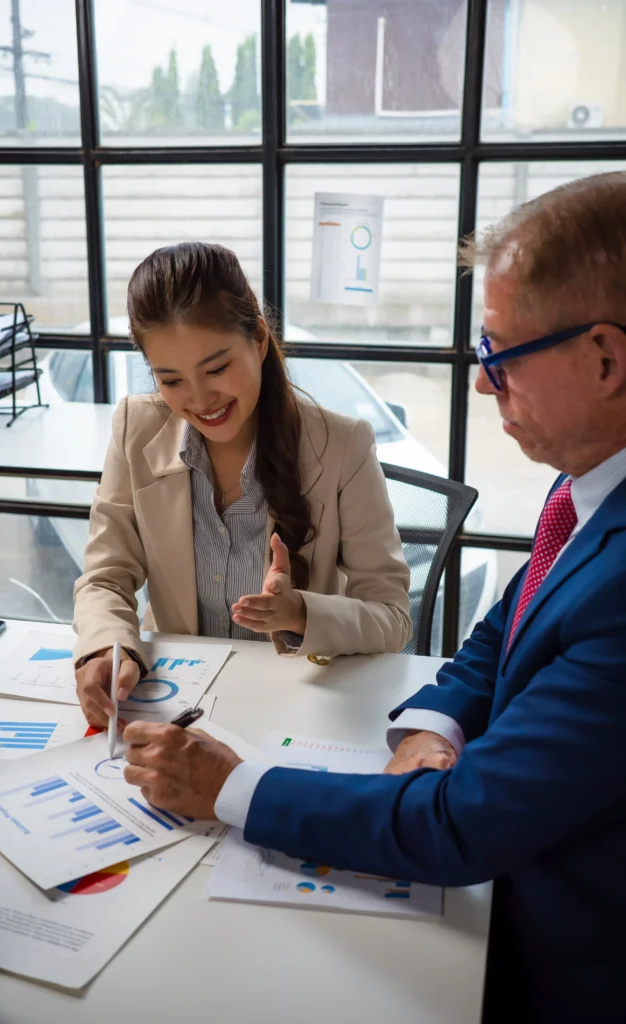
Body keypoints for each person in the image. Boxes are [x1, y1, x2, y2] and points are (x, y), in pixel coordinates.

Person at [121, 172, 626, 1023]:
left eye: (496, 354)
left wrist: (234, 787)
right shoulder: (583, 487)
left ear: (604, 358)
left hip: (556, 958)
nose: (478, 383)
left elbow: (461, 827)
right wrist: (430, 726)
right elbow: (498, 640)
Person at [73, 242, 411, 727]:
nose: (199, 399)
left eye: (216, 369)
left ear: (258, 338)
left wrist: (301, 614)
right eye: (170, 380)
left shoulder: (341, 445)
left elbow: (393, 618)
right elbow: (105, 578)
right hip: (176, 702)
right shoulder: (136, 427)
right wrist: (106, 648)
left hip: (298, 709)